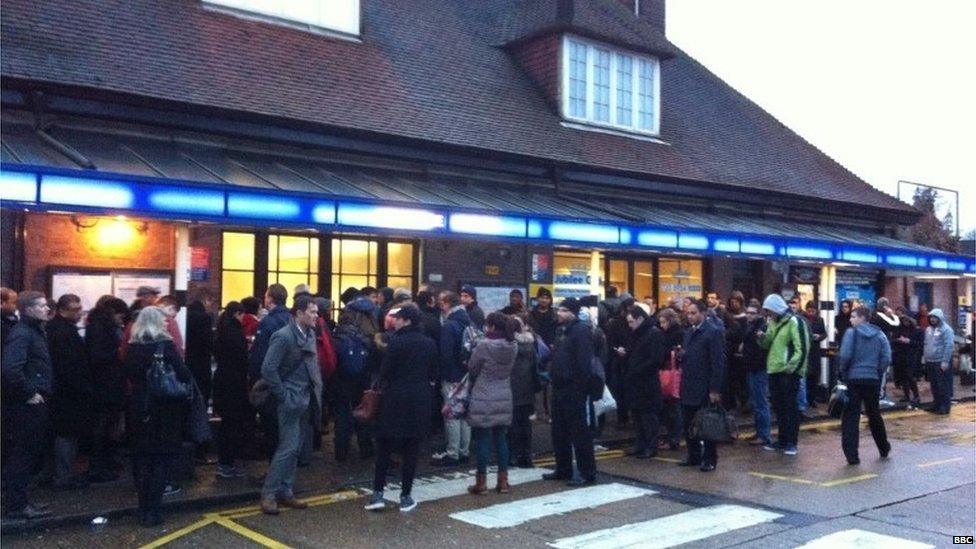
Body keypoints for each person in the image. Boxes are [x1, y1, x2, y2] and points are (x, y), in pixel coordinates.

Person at [364, 306, 437, 513]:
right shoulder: (429, 343)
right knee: (411, 449)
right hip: (419, 399)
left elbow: (385, 372)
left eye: (397, 318)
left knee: (384, 446)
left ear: (406, 321)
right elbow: (434, 372)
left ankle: (378, 494)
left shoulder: (394, 342)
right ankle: (406, 497)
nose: (394, 321)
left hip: (394, 398)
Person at [124, 306, 191, 527]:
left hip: (139, 406)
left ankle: (143, 509)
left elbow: (130, 375)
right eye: (163, 320)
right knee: (162, 459)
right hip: (164, 408)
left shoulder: (133, 347)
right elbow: (183, 373)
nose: (166, 323)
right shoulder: (166, 346)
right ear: (155, 322)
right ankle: (154, 509)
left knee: (142, 459)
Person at [260, 295, 323, 515]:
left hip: (306, 399)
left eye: (316, 312)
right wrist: (284, 395)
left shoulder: (310, 333)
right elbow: (268, 369)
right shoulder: (284, 336)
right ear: (298, 313)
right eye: (312, 312)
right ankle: (269, 494)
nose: (316, 315)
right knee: (287, 448)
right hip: (290, 401)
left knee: (295, 449)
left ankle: (285, 491)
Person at [1, 292, 54, 519]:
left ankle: (20, 501)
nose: (46, 309)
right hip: (27, 405)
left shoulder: (32, 331)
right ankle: (17, 505)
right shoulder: (23, 334)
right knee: (23, 454)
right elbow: (11, 368)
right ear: (29, 309)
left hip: (31, 402)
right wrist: (30, 392)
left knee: (26, 453)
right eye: (41, 306)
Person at [542, 297, 597, 486]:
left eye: (564, 310)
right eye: (559, 310)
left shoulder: (581, 331)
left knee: (579, 431)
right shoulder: (561, 330)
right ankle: (563, 468)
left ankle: (587, 472)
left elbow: (584, 362)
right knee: (559, 431)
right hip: (558, 386)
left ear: (573, 313)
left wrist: (580, 386)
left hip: (573, 388)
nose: (559, 313)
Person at [466, 312, 518, 495]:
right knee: (501, 439)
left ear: (493, 327)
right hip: (504, 394)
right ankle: (503, 482)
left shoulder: (484, 345)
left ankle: (481, 483)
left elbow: (472, 368)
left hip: (484, 394)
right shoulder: (513, 345)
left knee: (482, 440)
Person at [46, 294, 93, 490]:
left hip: (64, 392)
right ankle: (63, 476)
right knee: (66, 435)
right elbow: (67, 366)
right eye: (75, 309)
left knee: (64, 435)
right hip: (67, 393)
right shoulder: (63, 333)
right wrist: (84, 387)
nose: (79, 313)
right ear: (63, 310)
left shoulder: (57, 329)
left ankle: (59, 474)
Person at [838, 306, 892, 465]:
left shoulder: (851, 333)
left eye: (853, 316)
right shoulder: (880, 334)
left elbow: (845, 356)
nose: (850, 319)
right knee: (874, 414)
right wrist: (877, 371)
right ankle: (883, 448)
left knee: (850, 417)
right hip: (872, 380)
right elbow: (886, 358)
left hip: (854, 380)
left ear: (863, 318)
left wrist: (844, 371)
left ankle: (852, 456)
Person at [86, 296, 129, 483]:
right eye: (120, 316)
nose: (122, 320)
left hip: (108, 384)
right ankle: (98, 467)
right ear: (113, 313)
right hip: (106, 385)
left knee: (108, 426)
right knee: (103, 427)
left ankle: (105, 463)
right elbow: (96, 356)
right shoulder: (101, 329)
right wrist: (117, 353)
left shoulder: (99, 326)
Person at [678, 300, 725, 472]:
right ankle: (694, 455)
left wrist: (715, 389)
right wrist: (682, 355)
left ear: (703, 313)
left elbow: (718, 362)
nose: (690, 316)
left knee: (707, 424)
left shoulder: (713, 332)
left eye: (693, 313)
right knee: (688, 423)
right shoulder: (688, 332)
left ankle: (710, 458)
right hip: (688, 384)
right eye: (688, 313)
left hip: (704, 386)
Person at [332, 290, 378, 462]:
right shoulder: (371, 314)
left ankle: (341, 452)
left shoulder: (344, 324)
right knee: (364, 409)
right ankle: (366, 449)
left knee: (343, 412)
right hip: (364, 374)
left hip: (343, 376)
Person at [760, 294, 808, 456]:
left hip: (788, 373)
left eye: (769, 311)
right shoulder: (774, 322)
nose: (768, 315)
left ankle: (791, 442)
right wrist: (762, 337)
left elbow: (801, 348)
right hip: (774, 370)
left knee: (790, 408)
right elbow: (768, 344)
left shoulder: (795, 322)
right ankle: (782, 440)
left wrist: (792, 368)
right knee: (780, 408)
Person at [250, 284, 292, 460]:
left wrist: (255, 377)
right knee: (286, 429)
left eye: (266, 296)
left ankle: (273, 472)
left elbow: (260, 354)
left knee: (271, 427)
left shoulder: (267, 322)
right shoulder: (292, 319)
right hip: (291, 379)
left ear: (270, 298)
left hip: (271, 381)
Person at [432, 290, 473, 466]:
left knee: (451, 414)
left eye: (442, 302)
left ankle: (452, 453)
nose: (440, 305)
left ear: (448, 304)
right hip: (466, 374)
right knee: (464, 413)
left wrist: (442, 375)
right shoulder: (468, 321)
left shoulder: (449, 325)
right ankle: (464, 451)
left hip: (452, 375)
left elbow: (445, 354)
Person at [620, 305, 665, 459]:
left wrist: (637, 369)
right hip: (635, 381)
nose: (629, 325)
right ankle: (640, 444)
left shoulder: (654, 333)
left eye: (631, 322)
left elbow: (656, 359)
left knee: (648, 416)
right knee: (637, 415)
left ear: (640, 319)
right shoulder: (636, 334)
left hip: (647, 382)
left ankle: (651, 446)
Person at [213, 302, 250, 478]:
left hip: (222, 380)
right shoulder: (235, 332)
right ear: (237, 314)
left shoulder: (222, 329)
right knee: (232, 425)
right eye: (242, 315)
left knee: (226, 424)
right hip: (234, 383)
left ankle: (224, 463)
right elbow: (242, 359)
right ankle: (227, 464)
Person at [509, 316, 539, 468]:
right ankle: (526, 456)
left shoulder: (508, 345)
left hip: (511, 389)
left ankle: (513, 455)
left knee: (512, 424)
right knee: (526, 425)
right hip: (527, 390)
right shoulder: (530, 344)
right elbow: (535, 367)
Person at [741, 305, 772, 447]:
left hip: (758, 368)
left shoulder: (762, 327)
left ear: (758, 314)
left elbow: (762, 348)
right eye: (747, 312)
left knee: (761, 402)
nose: (749, 315)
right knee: (757, 402)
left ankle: (764, 435)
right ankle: (759, 432)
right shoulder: (751, 325)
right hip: (752, 368)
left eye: (752, 313)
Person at [656, 308, 684, 451]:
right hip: (669, 372)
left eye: (663, 322)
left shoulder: (676, 334)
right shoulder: (667, 333)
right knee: (669, 407)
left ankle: (674, 439)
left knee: (673, 407)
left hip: (672, 373)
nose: (661, 325)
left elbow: (671, 353)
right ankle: (671, 437)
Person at [185, 289, 215, 409]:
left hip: (188, 359)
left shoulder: (185, 314)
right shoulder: (205, 318)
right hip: (201, 361)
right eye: (210, 303)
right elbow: (207, 342)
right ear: (206, 300)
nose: (210, 307)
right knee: (201, 394)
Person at [923, 308, 955, 415]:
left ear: (939, 318)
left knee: (943, 385)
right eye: (931, 317)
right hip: (930, 361)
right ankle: (936, 404)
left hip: (940, 361)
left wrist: (945, 361)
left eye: (934, 317)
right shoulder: (928, 329)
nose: (932, 319)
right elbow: (926, 344)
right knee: (934, 385)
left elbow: (949, 345)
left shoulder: (946, 330)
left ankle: (945, 407)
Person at [891, 307, 922, 408]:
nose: (905, 322)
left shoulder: (917, 331)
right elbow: (893, 340)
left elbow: (920, 343)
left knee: (910, 376)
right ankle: (907, 395)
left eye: (906, 320)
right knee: (903, 376)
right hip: (900, 355)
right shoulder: (899, 328)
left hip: (911, 356)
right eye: (903, 320)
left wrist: (909, 341)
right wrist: (899, 340)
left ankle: (916, 396)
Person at [804, 301, 827, 408]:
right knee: (805, 377)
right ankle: (804, 399)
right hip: (805, 351)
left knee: (814, 377)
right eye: (809, 311)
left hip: (815, 351)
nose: (811, 313)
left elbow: (824, 334)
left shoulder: (820, 320)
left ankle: (811, 399)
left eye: (813, 311)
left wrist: (819, 337)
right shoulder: (802, 319)